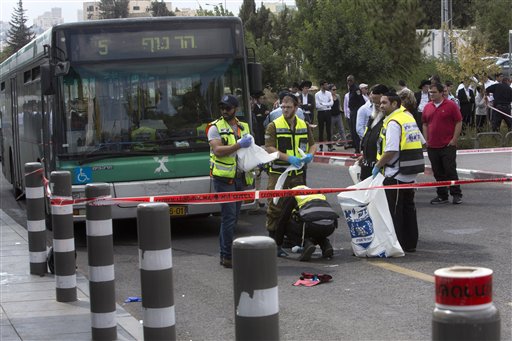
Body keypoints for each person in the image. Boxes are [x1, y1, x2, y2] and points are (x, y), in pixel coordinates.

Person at [265, 93, 317, 258]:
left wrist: (310, 155)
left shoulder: (303, 125)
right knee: (276, 207)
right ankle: (274, 243)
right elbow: (269, 147)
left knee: (297, 207)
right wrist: (288, 158)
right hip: (279, 173)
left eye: (288, 107)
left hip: (298, 173)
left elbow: (313, 144)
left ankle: (295, 242)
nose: (285, 110)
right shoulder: (273, 125)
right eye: (283, 107)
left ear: (296, 107)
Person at [374, 92, 424, 253]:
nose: (381, 106)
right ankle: (410, 244)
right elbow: (423, 142)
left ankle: (398, 245)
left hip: (395, 173)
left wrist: (378, 165)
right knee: (409, 208)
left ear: (394, 104)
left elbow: (391, 150)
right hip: (410, 172)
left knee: (395, 211)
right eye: (380, 103)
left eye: (384, 103)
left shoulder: (394, 122)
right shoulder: (408, 117)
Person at [208, 94, 253, 268]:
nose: (224, 111)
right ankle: (226, 256)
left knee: (233, 219)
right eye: (222, 108)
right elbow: (218, 150)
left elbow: (249, 150)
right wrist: (239, 145)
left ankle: (226, 254)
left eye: (228, 108)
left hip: (239, 177)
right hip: (223, 179)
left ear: (236, 109)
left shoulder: (244, 126)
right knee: (228, 218)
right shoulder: (214, 127)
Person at [422, 83, 463, 205]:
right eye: (430, 92)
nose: (431, 94)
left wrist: (454, 139)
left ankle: (456, 194)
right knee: (438, 171)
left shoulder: (451, 105)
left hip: (447, 145)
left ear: (441, 93)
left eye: (434, 92)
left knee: (450, 170)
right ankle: (442, 195)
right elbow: (424, 123)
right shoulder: (427, 107)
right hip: (432, 146)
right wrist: (426, 140)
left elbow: (458, 121)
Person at [358, 84, 389, 180]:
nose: (376, 106)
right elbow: (367, 135)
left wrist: (379, 164)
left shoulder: (390, 119)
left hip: (380, 164)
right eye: (373, 102)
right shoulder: (373, 116)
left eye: (378, 103)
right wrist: (364, 155)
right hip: (367, 163)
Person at [347, 75, 366, 153]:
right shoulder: (350, 89)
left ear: (353, 81)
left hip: (356, 111)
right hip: (352, 111)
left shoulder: (356, 89)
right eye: (348, 80)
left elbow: (361, 100)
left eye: (350, 80)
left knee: (355, 130)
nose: (349, 82)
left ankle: (358, 148)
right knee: (352, 130)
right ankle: (355, 147)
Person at [315, 80, 334, 151]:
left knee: (329, 129)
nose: (327, 86)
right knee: (321, 130)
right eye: (325, 85)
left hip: (328, 112)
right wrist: (327, 104)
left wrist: (323, 104)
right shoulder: (317, 94)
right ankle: (321, 147)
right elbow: (317, 105)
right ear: (322, 86)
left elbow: (332, 103)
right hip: (321, 113)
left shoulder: (329, 93)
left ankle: (330, 146)